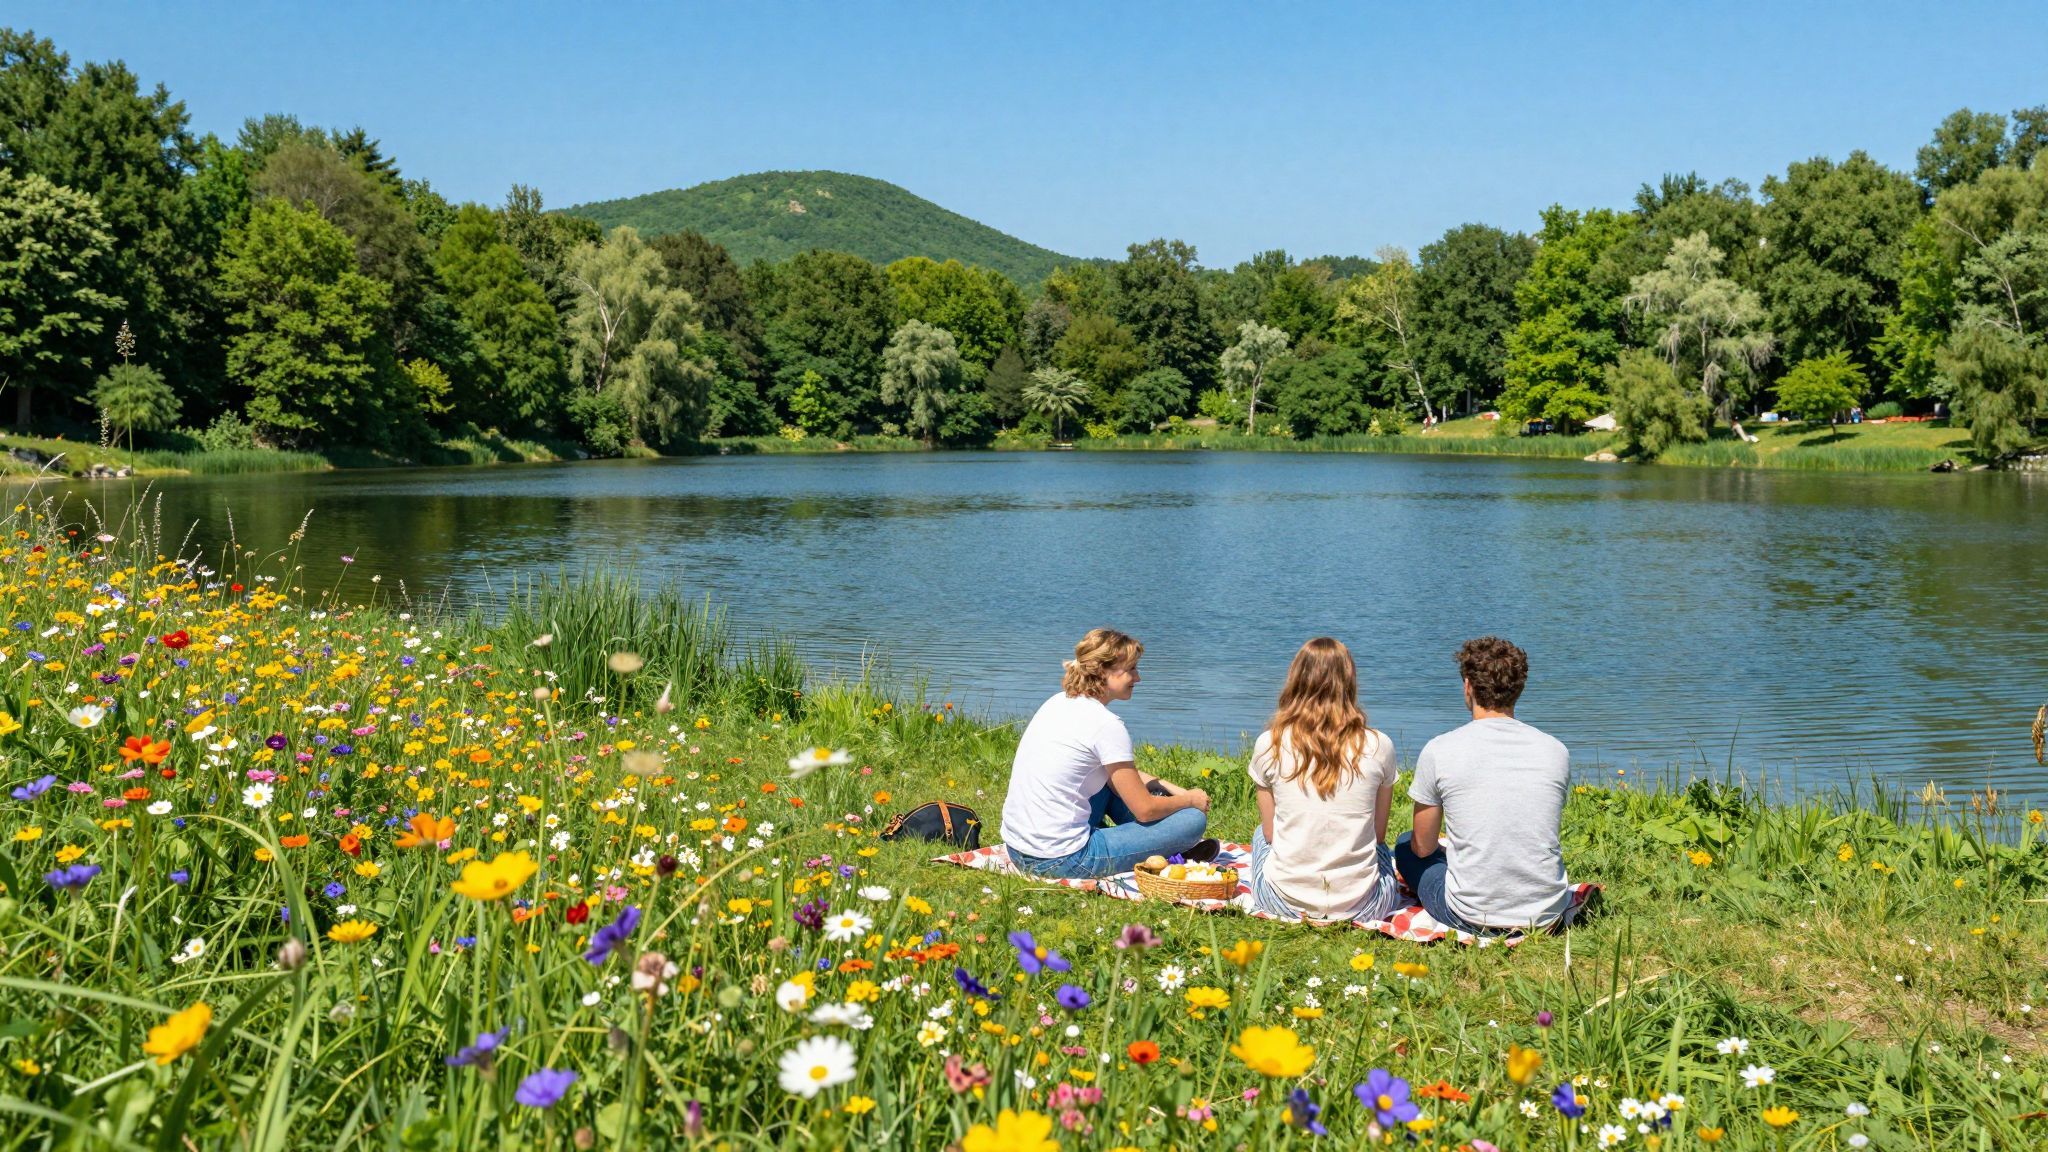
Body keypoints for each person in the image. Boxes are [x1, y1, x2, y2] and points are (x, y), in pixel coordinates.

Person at [1001, 628, 1213, 879]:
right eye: (1131, 669)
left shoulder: (1058, 702)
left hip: (1018, 849)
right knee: (1192, 820)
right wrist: (1190, 800)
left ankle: (1154, 844)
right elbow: (1144, 809)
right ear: (1103, 671)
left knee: (1131, 792)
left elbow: (1120, 774)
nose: (1138, 677)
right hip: (1064, 859)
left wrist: (1169, 787)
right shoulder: (1107, 725)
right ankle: (1166, 849)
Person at [1395, 637, 1573, 935]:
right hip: (1546, 913)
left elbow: (1423, 847)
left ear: (1468, 686)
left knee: (1405, 845)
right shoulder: (1555, 750)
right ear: (1519, 689)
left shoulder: (1441, 749)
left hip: (1472, 915)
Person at [1247, 638, 1401, 924]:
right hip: (1365, 907)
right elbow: (1378, 835)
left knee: (1259, 834)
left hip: (1282, 903)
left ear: (1295, 680)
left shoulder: (1270, 743)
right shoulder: (1380, 745)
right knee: (1382, 849)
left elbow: (1270, 834)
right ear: (1350, 681)